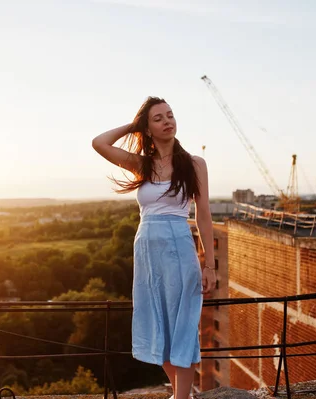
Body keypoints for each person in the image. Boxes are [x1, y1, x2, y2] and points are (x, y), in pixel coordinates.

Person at [92, 96, 216, 399]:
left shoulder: (195, 165)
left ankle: (182, 397)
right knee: (157, 323)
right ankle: (180, 394)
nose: (167, 121)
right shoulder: (141, 165)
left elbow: (204, 215)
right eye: (158, 118)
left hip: (179, 248)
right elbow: (99, 142)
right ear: (147, 128)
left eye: (170, 115)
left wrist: (209, 264)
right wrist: (133, 125)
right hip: (147, 251)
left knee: (183, 325)